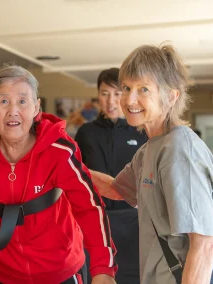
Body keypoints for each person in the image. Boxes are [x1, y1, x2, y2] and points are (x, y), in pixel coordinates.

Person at [0, 65, 117, 284]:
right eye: (3, 101)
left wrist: (102, 268)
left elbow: (89, 208)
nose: (13, 111)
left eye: (22, 101)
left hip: (59, 271)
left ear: (36, 107)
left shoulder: (59, 151)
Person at [90, 44, 213, 284]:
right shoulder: (149, 149)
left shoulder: (179, 150)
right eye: (126, 88)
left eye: (143, 89)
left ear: (171, 96)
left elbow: (204, 244)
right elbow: (115, 189)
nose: (129, 99)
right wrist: (66, 166)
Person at [75, 68, 148, 284]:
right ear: (98, 95)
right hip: (95, 219)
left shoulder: (140, 131)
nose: (111, 101)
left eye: (117, 93)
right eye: (105, 93)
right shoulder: (86, 132)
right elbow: (76, 175)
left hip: (132, 219)